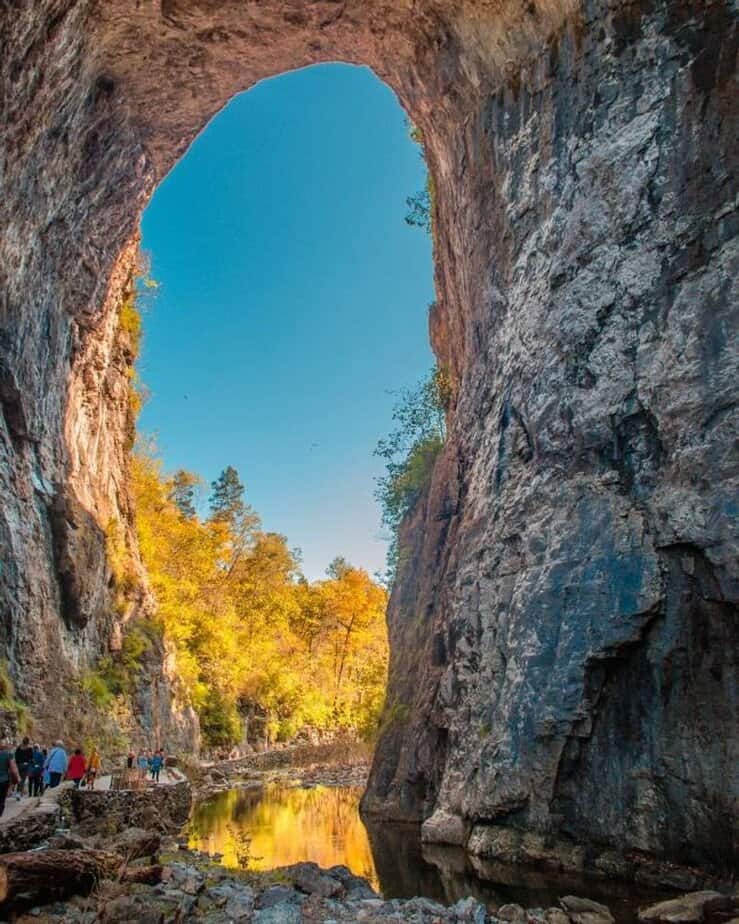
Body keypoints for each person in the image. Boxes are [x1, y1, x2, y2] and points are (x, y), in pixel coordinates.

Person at [0, 741, 20, 816]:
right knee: (2, 798)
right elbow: (13, 769)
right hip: (3, 780)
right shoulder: (8, 755)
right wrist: (17, 778)